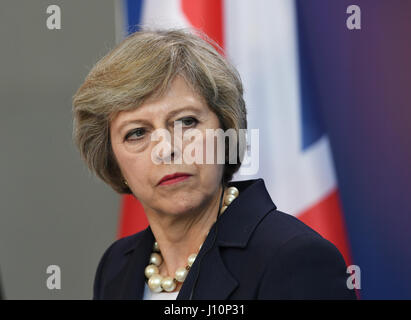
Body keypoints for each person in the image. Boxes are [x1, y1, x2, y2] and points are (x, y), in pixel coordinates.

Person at [72, 28, 356, 300]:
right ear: (113, 161)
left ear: (226, 133)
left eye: (186, 122)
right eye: (137, 133)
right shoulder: (116, 266)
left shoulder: (294, 259)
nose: (167, 150)